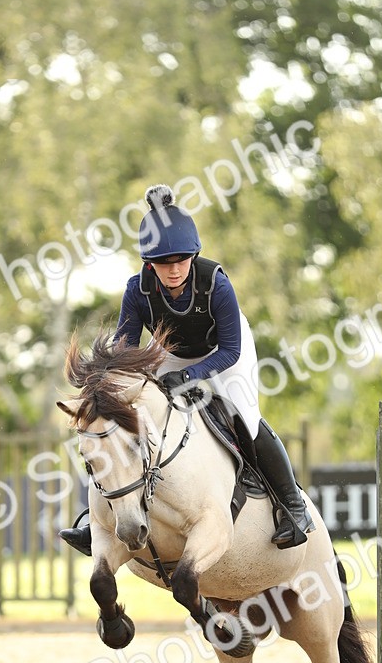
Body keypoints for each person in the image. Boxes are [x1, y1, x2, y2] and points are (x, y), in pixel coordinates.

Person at [60, 184, 314, 554]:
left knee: (244, 414)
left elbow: (229, 350)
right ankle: (101, 517)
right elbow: (125, 349)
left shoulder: (217, 286)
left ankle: (293, 506)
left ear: (194, 256)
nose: (175, 269)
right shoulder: (138, 290)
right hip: (171, 351)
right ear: (150, 263)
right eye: (164, 262)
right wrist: (109, 390)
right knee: (128, 416)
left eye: (182, 259)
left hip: (226, 351)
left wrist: (192, 377)